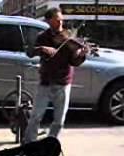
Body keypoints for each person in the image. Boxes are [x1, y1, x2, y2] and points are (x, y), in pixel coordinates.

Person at [23, 7, 89, 143]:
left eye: (61, 20)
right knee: (36, 116)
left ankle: (50, 143)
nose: (60, 23)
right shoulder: (43, 37)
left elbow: (74, 61)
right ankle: (29, 143)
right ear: (49, 21)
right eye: (57, 21)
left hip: (63, 81)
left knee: (59, 119)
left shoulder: (68, 36)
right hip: (46, 81)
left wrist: (81, 55)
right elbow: (29, 52)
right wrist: (42, 48)